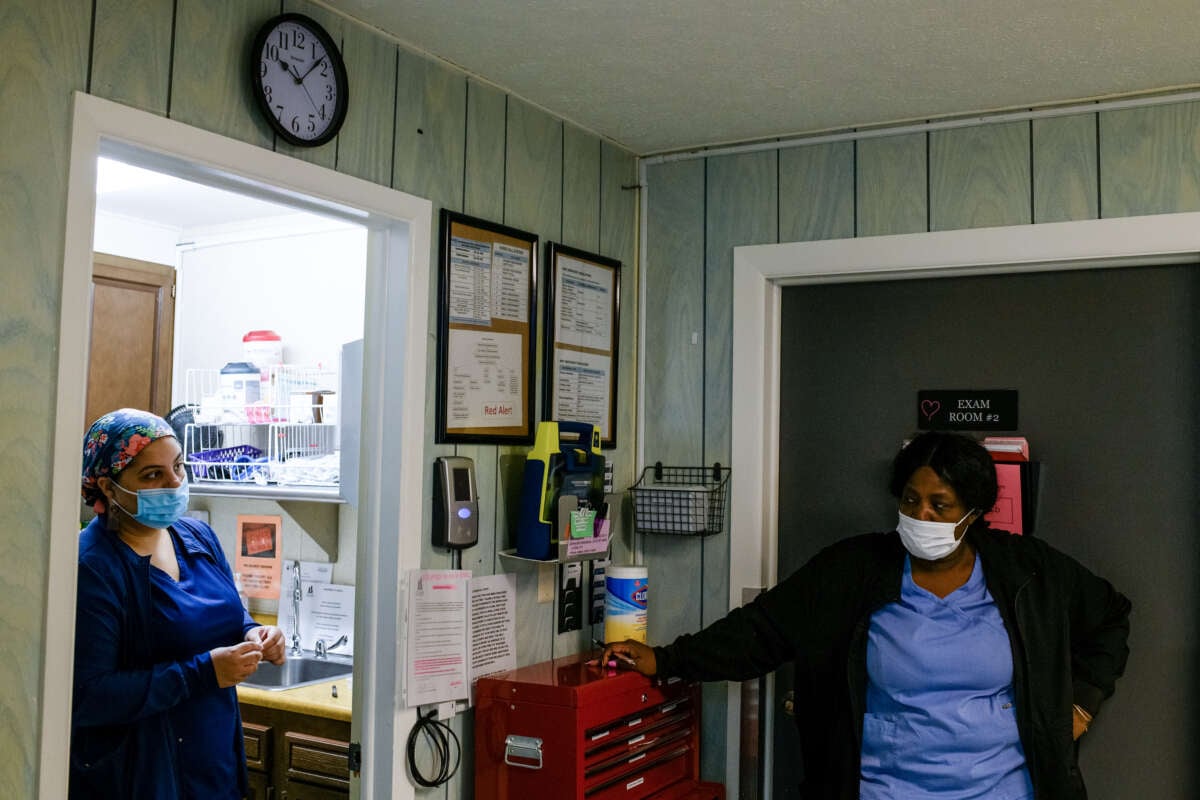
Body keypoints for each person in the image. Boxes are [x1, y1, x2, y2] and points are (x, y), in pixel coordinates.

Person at [603, 431, 1130, 799]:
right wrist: (668, 658)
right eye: (910, 499)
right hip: (883, 789)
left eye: (940, 505)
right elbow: (762, 629)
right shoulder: (853, 571)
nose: (921, 515)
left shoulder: (1027, 571)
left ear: (973, 513)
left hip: (1006, 789)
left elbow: (1110, 616)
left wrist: (1080, 705)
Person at [72, 408, 286, 798]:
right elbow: (88, 696)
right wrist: (202, 674)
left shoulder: (197, 537)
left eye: (178, 467)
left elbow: (228, 613)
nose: (174, 483)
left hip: (215, 763)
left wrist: (254, 631)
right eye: (153, 475)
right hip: (144, 776)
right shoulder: (93, 567)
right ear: (107, 486)